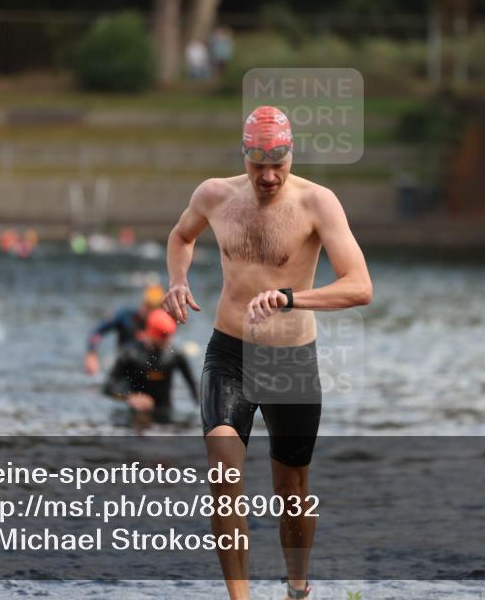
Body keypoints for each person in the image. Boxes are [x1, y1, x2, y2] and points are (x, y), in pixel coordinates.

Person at [163, 105, 373, 600]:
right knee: (221, 462)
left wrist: (291, 297)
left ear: (291, 153)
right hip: (229, 352)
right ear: (246, 156)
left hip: (290, 359)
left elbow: (360, 286)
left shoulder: (318, 203)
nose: (270, 175)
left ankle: (297, 588)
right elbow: (180, 236)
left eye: (279, 162)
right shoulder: (214, 194)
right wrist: (176, 279)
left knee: (291, 490)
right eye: (259, 165)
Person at [103, 309, 198, 425]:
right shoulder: (130, 354)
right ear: (149, 333)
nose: (166, 341)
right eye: (162, 336)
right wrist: (130, 397)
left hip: (165, 412)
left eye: (168, 336)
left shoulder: (176, 355)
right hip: (136, 415)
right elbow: (108, 388)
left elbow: (193, 387)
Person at [84, 284, 165, 375]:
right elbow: (96, 333)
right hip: (121, 364)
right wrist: (91, 355)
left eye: (154, 308)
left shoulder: (162, 325)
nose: (150, 311)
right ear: (143, 303)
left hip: (145, 368)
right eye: (148, 306)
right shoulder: (125, 316)